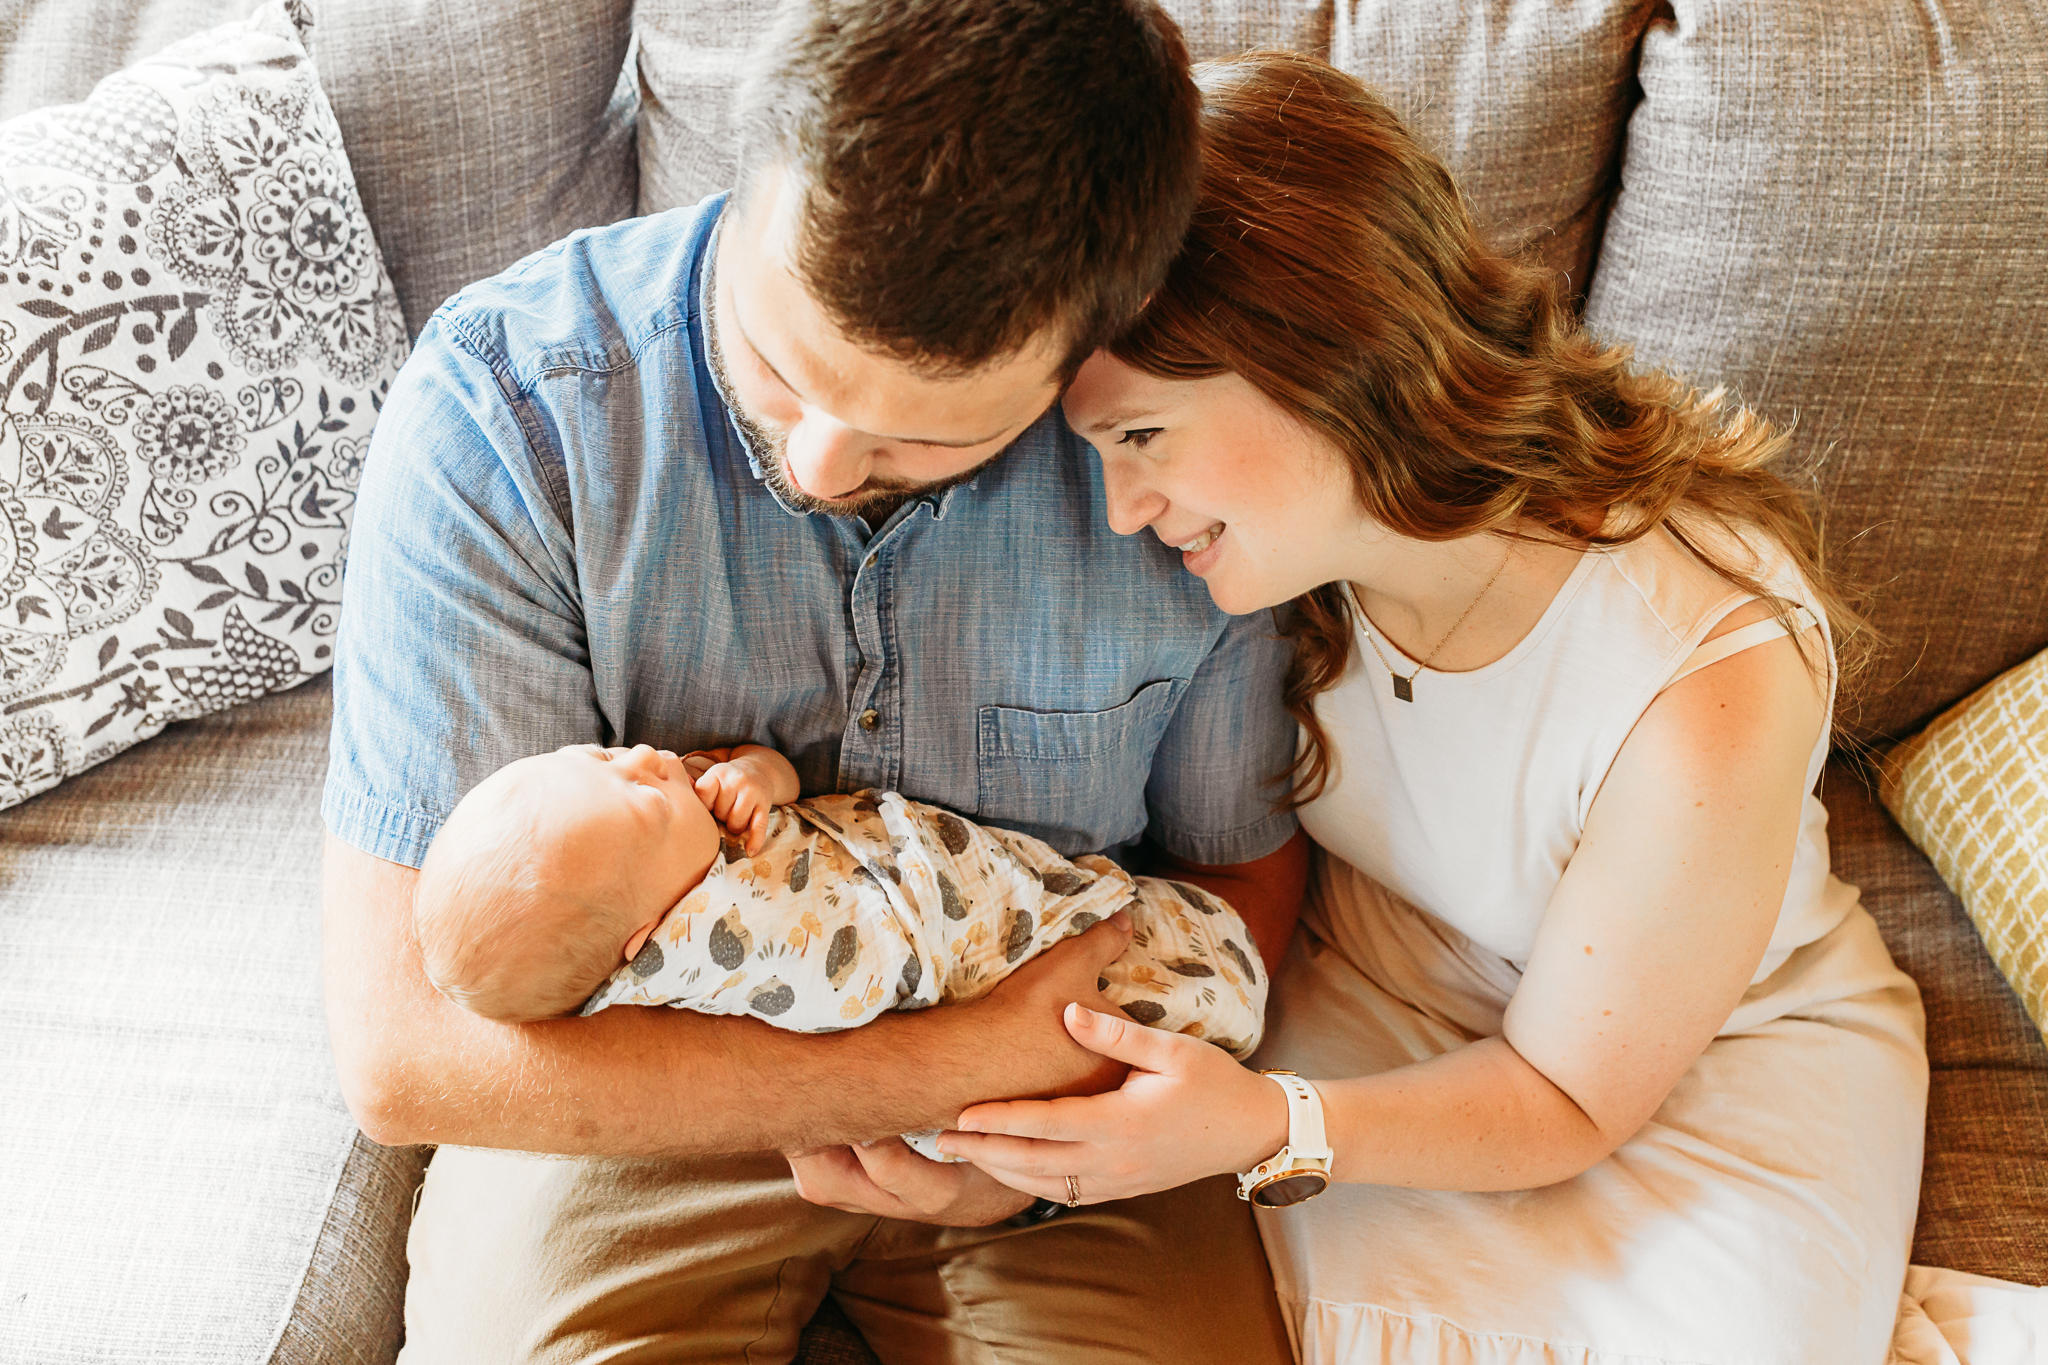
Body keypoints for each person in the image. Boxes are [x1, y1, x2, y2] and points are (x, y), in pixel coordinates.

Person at [319, 1, 1305, 1359]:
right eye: (782, 371)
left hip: (1057, 1101)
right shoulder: (513, 414)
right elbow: (408, 1049)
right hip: (647, 1101)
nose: (823, 466)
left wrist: (1019, 1124)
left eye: (914, 438)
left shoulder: (1182, 454)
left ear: (1085, 345)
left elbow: (1244, 881)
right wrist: (944, 1064)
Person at [943, 51, 1928, 1363]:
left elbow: (1567, 1093)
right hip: (1371, 981)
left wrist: (1269, 1125)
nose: (1118, 509)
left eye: (1145, 438)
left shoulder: (1702, 663)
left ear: (1322, 359)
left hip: (1673, 1063)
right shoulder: (1261, 561)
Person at [409, 740, 1268, 1104]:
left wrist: (760, 777)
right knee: (1138, 987)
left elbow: (784, 780)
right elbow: (861, 999)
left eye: (599, 756)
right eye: (635, 793)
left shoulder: (680, 821)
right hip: (960, 967)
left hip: (983, 875)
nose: (643, 758)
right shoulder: (727, 949)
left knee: (1157, 929)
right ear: (643, 939)